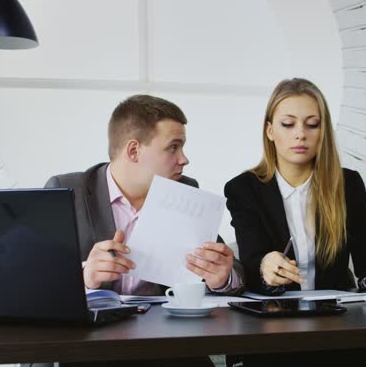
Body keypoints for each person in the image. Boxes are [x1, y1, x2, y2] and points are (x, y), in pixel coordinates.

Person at [47, 94, 244, 367]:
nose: (184, 159)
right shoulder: (69, 191)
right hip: (90, 348)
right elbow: (36, 285)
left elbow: (233, 271)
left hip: (166, 345)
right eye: (173, 147)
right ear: (133, 151)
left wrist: (222, 277)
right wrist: (84, 277)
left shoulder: (185, 191)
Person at [224, 78, 366, 367]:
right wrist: (267, 267)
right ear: (270, 131)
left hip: (339, 325)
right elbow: (253, 258)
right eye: (288, 124)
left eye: (312, 124)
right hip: (274, 328)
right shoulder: (243, 188)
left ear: (323, 131)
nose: (300, 134)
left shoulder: (347, 184)